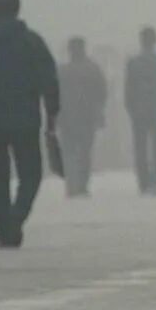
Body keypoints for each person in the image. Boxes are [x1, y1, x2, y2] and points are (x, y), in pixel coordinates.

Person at [0, 0, 60, 249]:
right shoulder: (31, 42)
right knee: (31, 172)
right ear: (17, 10)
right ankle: (15, 219)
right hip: (25, 117)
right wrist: (52, 111)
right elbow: (48, 79)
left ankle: (4, 226)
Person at [56, 38, 109, 197]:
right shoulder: (92, 69)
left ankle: (71, 184)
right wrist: (98, 111)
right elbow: (102, 93)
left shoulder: (63, 70)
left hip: (67, 118)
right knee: (85, 151)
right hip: (87, 117)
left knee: (69, 152)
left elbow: (54, 95)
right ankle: (82, 185)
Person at [123, 27, 156, 196]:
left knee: (140, 147)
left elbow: (128, 89)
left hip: (139, 110)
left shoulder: (133, 63)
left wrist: (130, 107)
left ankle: (143, 182)